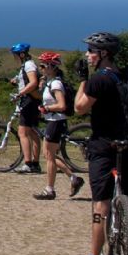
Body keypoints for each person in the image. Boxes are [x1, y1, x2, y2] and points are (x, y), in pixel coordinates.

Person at [74, 31, 128, 255]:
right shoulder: (126, 76)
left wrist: (83, 80)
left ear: (103, 54)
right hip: (127, 144)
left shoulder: (98, 80)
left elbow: (79, 108)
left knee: (100, 204)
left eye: (91, 51)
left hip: (103, 145)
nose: (88, 55)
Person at [33, 52, 84, 201]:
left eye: (43, 65)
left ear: (51, 67)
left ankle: (50, 189)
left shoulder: (56, 83)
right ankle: (74, 178)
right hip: (53, 121)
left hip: (56, 121)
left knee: (49, 156)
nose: (40, 68)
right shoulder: (51, 81)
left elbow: (61, 105)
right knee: (48, 155)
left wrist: (46, 109)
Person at [11, 42, 43, 174]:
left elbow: (33, 82)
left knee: (22, 133)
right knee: (32, 133)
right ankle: (35, 163)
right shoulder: (27, 65)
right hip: (32, 101)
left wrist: (20, 93)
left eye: (16, 55)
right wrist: (16, 80)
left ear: (22, 54)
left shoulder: (29, 65)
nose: (14, 57)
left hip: (28, 101)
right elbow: (26, 80)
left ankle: (28, 163)